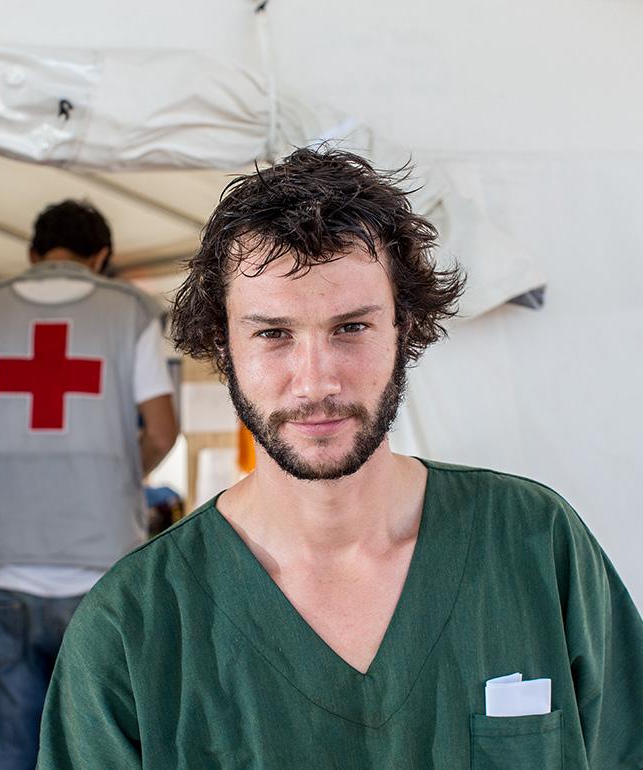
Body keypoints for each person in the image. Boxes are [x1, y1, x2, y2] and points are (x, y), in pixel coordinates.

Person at [37, 151, 643, 768]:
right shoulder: (133, 626)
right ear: (223, 344)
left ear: (405, 328)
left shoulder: (534, 545)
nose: (315, 381)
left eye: (351, 327)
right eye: (273, 334)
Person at [0, 199, 178, 770]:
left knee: (4, 755)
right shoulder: (131, 311)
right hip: (99, 574)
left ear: (33, 253)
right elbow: (161, 433)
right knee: (98, 752)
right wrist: (108, 482)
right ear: (102, 257)